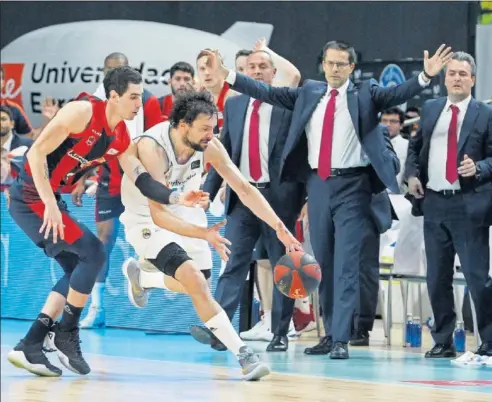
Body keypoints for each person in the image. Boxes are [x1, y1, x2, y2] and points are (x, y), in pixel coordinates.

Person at [200, 41, 452, 359]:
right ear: (323, 64)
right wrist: (228, 75)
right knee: (325, 264)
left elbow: (396, 95)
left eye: (341, 64)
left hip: (353, 186)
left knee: (347, 264)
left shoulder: (364, 94)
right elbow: (266, 92)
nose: (334, 69)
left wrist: (424, 78)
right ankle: (330, 332)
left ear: (351, 68)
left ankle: (341, 339)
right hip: (318, 185)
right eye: (330, 63)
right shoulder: (309, 93)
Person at [6, 66, 208, 377]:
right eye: (133, 97)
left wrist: (176, 198)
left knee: (78, 268)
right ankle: (65, 334)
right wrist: (49, 202)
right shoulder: (81, 111)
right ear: (113, 96)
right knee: (94, 252)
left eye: (141, 96)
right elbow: (37, 155)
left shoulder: (121, 136)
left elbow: (140, 178)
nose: (139, 103)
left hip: (47, 198)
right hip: (31, 196)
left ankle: (32, 343)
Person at [119, 90, 302, 380]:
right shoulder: (153, 148)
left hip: (185, 208)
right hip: (147, 218)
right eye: (205, 128)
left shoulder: (210, 145)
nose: (211, 134)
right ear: (183, 125)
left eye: (214, 128)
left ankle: (144, 278)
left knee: (199, 283)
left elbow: (244, 188)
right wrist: (204, 233)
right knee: (193, 279)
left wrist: (280, 227)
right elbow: (159, 213)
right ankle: (244, 355)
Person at [198, 50, 305, 353]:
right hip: (242, 197)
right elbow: (225, 154)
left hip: (278, 199)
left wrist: (305, 198)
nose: (256, 71)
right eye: (250, 67)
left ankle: (281, 332)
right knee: (233, 262)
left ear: (273, 73)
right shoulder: (234, 104)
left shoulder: (288, 104)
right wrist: (208, 191)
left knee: (283, 265)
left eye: (262, 67)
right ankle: (220, 330)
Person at [405, 51, 492, 358]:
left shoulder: (487, 114)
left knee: (477, 277)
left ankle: (490, 340)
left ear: (473, 79)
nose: (457, 78)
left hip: (469, 204)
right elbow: (415, 147)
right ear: (444, 78)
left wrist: (480, 168)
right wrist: (411, 176)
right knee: (437, 277)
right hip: (434, 202)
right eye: (452, 73)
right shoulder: (432, 107)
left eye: (463, 73)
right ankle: (443, 340)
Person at [74, 52, 166, 329]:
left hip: (139, 178)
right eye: (110, 70)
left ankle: (146, 283)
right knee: (104, 239)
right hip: (107, 179)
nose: (115, 73)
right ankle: (97, 307)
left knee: (152, 235)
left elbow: (158, 140)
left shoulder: (146, 99)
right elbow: (83, 145)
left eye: (121, 68)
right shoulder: (91, 102)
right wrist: (80, 177)